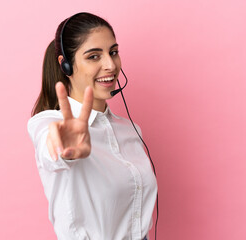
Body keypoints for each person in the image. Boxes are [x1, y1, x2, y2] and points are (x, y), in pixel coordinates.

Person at [27, 12, 157, 240]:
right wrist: (64, 151)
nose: (110, 64)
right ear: (66, 65)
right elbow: (50, 148)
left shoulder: (130, 130)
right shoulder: (50, 124)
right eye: (94, 56)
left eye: (113, 52)